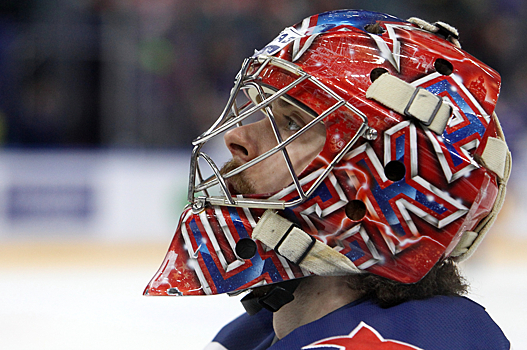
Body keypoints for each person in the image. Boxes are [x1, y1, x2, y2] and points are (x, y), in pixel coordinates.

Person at [144, 9, 512, 350]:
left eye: (291, 122)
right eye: (264, 111)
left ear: (372, 188)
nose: (236, 138)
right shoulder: (258, 332)